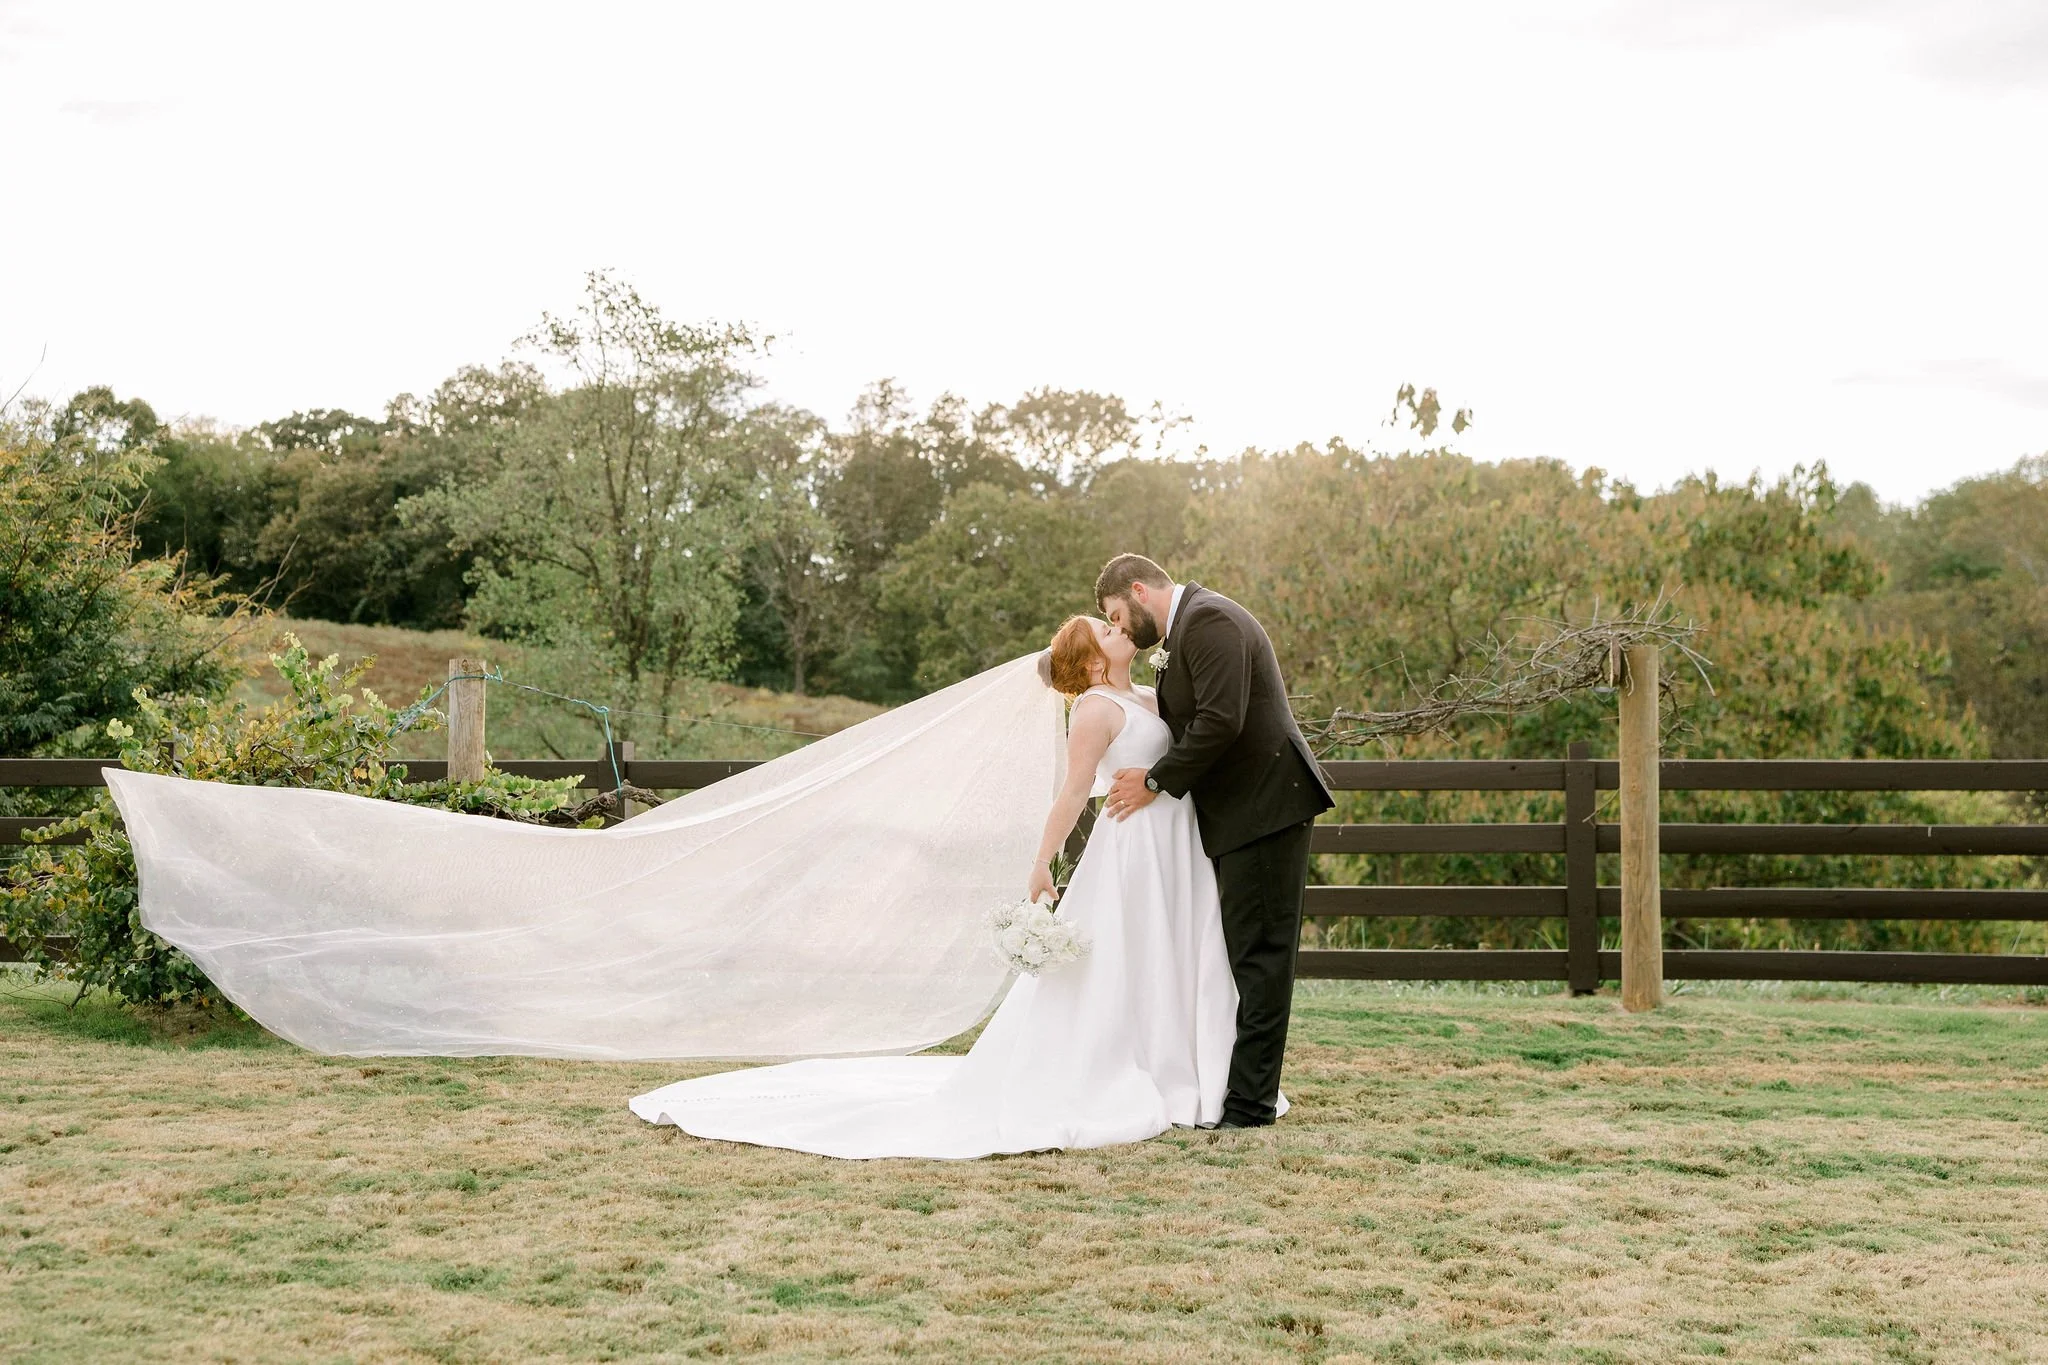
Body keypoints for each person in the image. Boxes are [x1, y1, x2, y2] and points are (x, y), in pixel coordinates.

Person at [628, 613, 1252, 1158]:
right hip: (1134, 849)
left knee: (1173, 951)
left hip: (1174, 840)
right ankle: (1129, 1070)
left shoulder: (1147, 693)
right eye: (1108, 630)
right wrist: (1043, 860)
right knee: (1129, 957)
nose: (1121, 630)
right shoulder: (1094, 710)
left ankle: (1185, 1069)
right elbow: (1072, 788)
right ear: (1091, 663)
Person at [1094, 553, 1335, 1129]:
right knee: (1242, 953)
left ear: (1138, 590)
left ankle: (1249, 1107)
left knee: (1261, 958)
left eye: (1117, 616)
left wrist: (1156, 781)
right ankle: (1235, 1089)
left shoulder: (1210, 622)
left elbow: (1221, 720)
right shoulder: (1190, 628)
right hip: (1240, 813)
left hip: (1266, 808)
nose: (1121, 629)